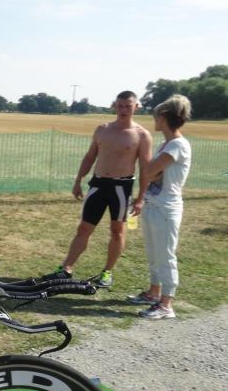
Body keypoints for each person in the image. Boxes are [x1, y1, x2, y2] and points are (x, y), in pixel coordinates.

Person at [44, 90, 152, 287]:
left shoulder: (142, 135)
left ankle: (107, 272)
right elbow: (90, 156)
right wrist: (78, 180)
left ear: (136, 107)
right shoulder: (102, 129)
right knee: (84, 228)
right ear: (114, 106)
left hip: (121, 187)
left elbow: (146, 169)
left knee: (117, 231)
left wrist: (140, 198)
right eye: (120, 105)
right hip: (98, 184)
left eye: (128, 106)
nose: (123, 110)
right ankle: (66, 269)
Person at [126, 94, 192, 319]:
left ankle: (166, 304)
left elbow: (148, 172)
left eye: (156, 116)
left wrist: (151, 171)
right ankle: (153, 293)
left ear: (163, 117)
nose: (154, 120)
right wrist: (152, 173)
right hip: (153, 205)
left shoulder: (177, 145)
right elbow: (152, 173)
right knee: (153, 254)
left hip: (166, 209)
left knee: (166, 256)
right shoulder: (167, 145)